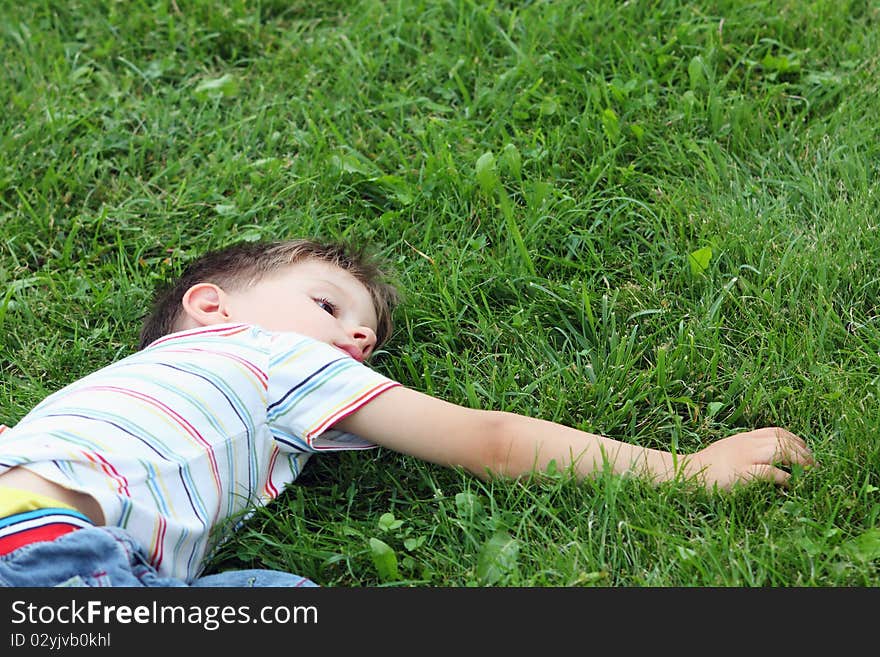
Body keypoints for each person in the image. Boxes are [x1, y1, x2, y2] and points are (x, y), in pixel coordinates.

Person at [0, 239, 815, 587]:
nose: (355, 335)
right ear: (211, 305)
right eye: (329, 305)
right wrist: (681, 469)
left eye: (366, 337)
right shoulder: (273, 356)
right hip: (53, 551)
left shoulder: (103, 396)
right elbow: (491, 441)